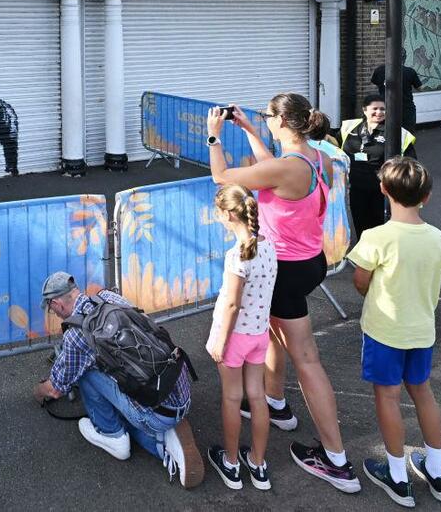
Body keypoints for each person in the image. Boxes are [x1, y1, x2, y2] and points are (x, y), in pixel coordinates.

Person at [207, 94, 361, 494]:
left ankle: (336, 459)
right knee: (269, 330)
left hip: (286, 271)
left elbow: (223, 177)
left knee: (306, 357)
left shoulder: (286, 167)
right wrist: (250, 130)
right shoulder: (317, 156)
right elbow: (270, 168)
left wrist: (214, 137)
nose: (265, 121)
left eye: (267, 117)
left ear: (281, 122)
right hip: (310, 261)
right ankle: (274, 403)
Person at [348, 157, 441, 507]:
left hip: (384, 331)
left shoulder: (376, 237)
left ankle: (396, 476)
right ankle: (437, 471)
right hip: (423, 329)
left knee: (388, 398)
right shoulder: (438, 237)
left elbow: (361, 282)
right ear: (427, 195)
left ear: (383, 190)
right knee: (423, 393)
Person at [32, 272, 204, 488]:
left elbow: (55, 388)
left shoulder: (76, 335)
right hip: (179, 384)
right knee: (98, 363)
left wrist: (37, 392)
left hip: (155, 411)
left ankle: (113, 435)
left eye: (50, 308)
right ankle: (167, 437)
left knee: (84, 372)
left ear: (56, 304)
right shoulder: (109, 298)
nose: (53, 313)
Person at [205, 184, 278, 491]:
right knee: (257, 397)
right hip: (259, 335)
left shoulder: (237, 256)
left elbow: (232, 304)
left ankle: (232, 462)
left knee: (232, 399)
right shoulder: (269, 245)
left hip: (234, 338)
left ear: (227, 215)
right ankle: (258, 464)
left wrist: (220, 341)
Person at [337, 95, 417, 239]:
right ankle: (364, 252)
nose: (379, 112)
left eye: (383, 109)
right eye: (375, 109)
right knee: (360, 223)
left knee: (379, 225)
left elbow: (411, 161)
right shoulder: (350, 127)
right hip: (356, 187)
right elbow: (332, 145)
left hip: (382, 189)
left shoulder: (395, 132)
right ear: (364, 110)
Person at [370, 47, 423, 132]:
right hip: (405, 109)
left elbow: (375, 83)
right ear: (404, 57)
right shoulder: (410, 72)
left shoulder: (379, 70)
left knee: (385, 134)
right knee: (407, 135)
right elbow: (420, 88)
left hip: (385, 107)